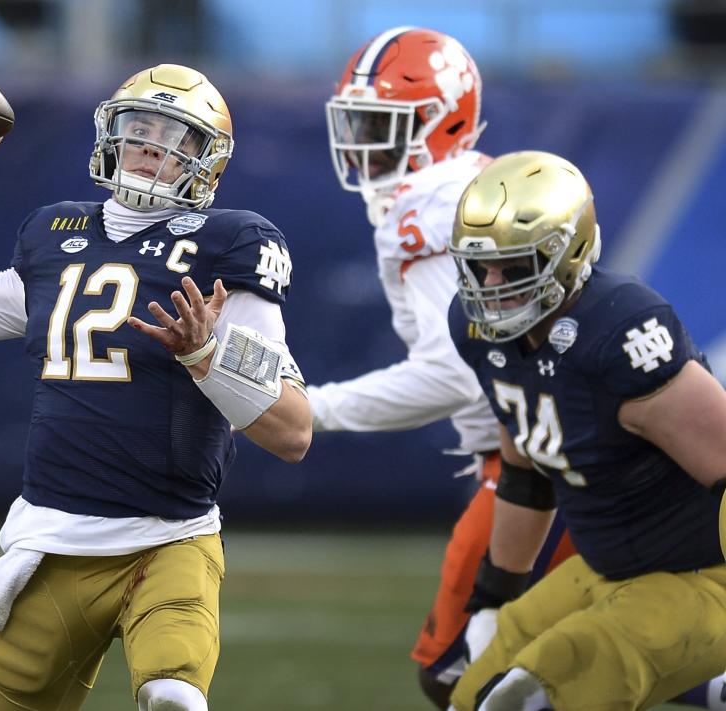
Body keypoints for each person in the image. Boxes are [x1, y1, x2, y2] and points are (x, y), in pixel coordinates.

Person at [0, 63, 312, 711]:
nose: (151, 143)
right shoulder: (54, 236)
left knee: (173, 695)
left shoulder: (228, 247)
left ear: (207, 163)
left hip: (170, 536)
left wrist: (206, 355)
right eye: (140, 126)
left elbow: (292, 429)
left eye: (175, 135)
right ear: (111, 133)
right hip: (55, 541)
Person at [310, 27, 574, 707]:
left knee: (461, 668)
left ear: (444, 120)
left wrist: (314, 407)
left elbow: (456, 372)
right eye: (358, 121)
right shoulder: (467, 182)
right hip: (554, 448)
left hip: (539, 462)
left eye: (381, 124)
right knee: (578, 646)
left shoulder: (429, 206)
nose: (362, 141)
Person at [445, 150, 726, 710]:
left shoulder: (620, 331)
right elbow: (527, 471)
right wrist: (495, 597)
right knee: (467, 695)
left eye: (514, 268)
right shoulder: (477, 330)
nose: (492, 286)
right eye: (481, 268)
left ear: (567, 256)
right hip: (606, 570)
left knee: (531, 698)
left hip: (700, 577)